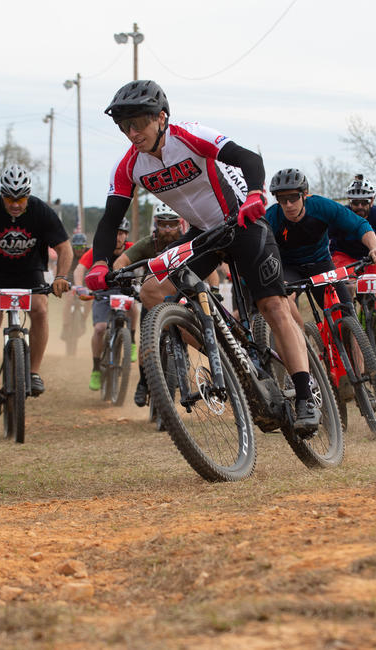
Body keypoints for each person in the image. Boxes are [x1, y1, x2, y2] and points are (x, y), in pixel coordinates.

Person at [85, 79, 320, 435]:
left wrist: (256, 193)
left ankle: (306, 394)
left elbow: (248, 158)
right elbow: (110, 219)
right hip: (202, 235)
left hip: (242, 223)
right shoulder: (130, 166)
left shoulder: (189, 135)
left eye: (139, 123)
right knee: (152, 291)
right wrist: (101, 262)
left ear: (161, 117)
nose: (132, 133)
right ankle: (231, 363)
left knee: (274, 306)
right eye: (124, 126)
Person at [0, 164, 73, 407]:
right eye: (9, 198)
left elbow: (64, 247)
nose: (16, 204)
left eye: (21, 198)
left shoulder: (40, 211)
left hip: (29, 273)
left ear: (28, 195)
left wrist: (61, 276)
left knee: (40, 310)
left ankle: (34, 372)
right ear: (2, 194)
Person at [263, 169, 376, 329]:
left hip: (320, 263)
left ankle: (358, 354)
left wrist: (374, 246)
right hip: (289, 267)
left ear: (305, 194)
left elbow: (359, 224)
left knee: (348, 313)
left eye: (293, 197)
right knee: (284, 298)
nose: (288, 205)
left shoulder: (321, 206)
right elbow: (258, 249)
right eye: (282, 199)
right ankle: (302, 342)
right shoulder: (272, 217)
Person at [111, 201, 185, 407]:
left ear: (180, 224)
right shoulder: (147, 244)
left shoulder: (187, 242)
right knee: (147, 344)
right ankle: (143, 382)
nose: (168, 229)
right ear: (156, 224)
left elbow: (211, 270)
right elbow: (122, 261)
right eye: (163, 224)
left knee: (188, 332)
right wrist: (121, 274)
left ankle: (183, 360)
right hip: (151, 301)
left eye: (172, 224)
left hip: (181, 297)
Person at [72, 218, 133, 391]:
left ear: (126, 235)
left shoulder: (131, 248)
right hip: (102, 293)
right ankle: (96, 368)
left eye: (121, 233)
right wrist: (79, 287)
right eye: (115, 233)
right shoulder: (99, 249)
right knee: (99, 328)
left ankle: (132, 342)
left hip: (124, 292)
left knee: (135, 308)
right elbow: (79, 269)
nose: (118, 237)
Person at [60, 231, 91, 356]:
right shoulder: (69, 254)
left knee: (90, 299)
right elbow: (63, 270)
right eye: (76, 247)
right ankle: (66, 325)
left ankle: (83, 319)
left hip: (86, 284)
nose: (79, 250)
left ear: (85, 246)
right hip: (72, 284)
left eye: (81, 247)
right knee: (68, 299)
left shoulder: (90, 253)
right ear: (73, 246)